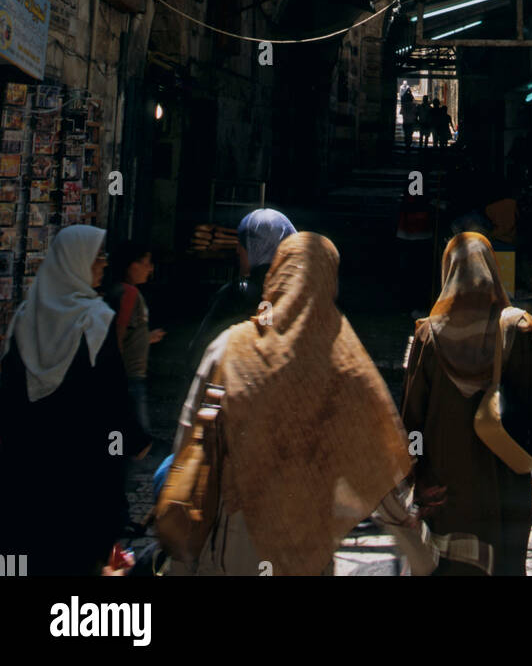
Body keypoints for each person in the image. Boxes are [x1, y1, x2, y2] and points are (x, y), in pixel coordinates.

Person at [165, 232, 414, 575]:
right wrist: (411, 531)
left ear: (275, 275)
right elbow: (376, 458)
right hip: (308, 542)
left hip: (235, 536)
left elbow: (189, 438)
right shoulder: (346, 364)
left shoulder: (230, 348)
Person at [401, 231, 532, 576]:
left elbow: (412, 420)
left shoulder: (427, 337)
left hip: (447, 488)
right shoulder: (520, 329)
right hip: (506, 482)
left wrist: (415, 477)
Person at [0, 225, 151, 575]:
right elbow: (113, 403)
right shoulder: (95, 323)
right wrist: (134, 442)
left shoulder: (25, 318)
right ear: (74, 263)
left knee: (22, 559)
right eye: (96, 257)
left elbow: (8, 395)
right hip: (79, 475)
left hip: (25, 472)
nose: (102, 265)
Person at [187, 207, 296, 365]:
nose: (237, 250)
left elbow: (200, 350)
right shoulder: (297, 294)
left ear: (256, 247)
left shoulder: (239, 293)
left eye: (243, 244)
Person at [107, 240, 165, 432]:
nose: (150, 268)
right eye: (146, 263)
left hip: (127, 377)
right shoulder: (129, 293)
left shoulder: (123, 291)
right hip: (128, 378)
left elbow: (127, 335)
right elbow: (118, 334)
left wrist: (145, 337)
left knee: (121, 435)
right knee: (134, 438)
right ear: (132, 264)